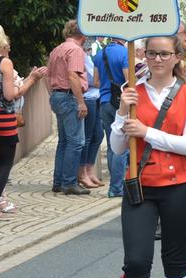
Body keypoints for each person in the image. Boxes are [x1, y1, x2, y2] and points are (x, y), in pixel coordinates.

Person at [111, 35, 186, 278]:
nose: (157, 59)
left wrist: (146, 132)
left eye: (164, 54)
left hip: (180, 186)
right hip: (140, 186)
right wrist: (121, 111)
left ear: (177, 57)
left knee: (175, 262)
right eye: (151, 53)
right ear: (144, 55)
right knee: (136, 262)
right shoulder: (132, 94)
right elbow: (117, 148)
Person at [0, 24, 45, 220]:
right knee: (4, 164)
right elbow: (10, 95)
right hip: (2, 121)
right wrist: (30, 80)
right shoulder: (4, 63)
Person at [48, 20, 90, 195]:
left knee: (64, 141)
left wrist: (52, 96)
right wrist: (80, 102)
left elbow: (47, 75)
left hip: (58, 95)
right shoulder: (76, 50)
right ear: (83, 34)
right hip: (69, 96)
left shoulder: (56, 49)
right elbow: (73, 76)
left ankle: (59, 182)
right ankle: (69, 183)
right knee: (76, 142)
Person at [94, 37, 130, 198]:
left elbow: (96, 81)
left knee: (111, 144)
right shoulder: (124, 53)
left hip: (103, 101)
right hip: (119, 104)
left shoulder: (100, 54)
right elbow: (129, 81)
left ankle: (114, 185)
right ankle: (116, 187)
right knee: (121, 147)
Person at [79, 42, 104, 189]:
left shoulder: (86, 55)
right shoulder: (81, 55)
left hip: (95, 97)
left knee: (98, 135)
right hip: (89, 97)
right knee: (87, 137)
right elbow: (91, 80)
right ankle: (83, 172)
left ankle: (89, 168)